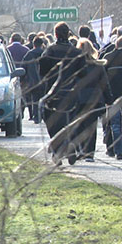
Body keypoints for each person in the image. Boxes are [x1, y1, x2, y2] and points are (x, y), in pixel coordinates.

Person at [38, 22, 85, 163]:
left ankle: (58, 150)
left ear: (56, 34)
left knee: (52, 122)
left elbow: (43, 72)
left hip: (54, 92)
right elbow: (83, 74)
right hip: (72, 91)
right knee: (69, 121)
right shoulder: (77, 53)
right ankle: (69, 144)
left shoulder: (50, 50)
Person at [69, 38, 112, 162]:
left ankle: (80, 149)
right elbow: (104, 84)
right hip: (95, 99)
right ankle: (89, 153)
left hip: (78, 98)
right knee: (91, 127)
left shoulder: (74, 66)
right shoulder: (98, 65)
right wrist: (109, 99)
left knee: (78, 125)